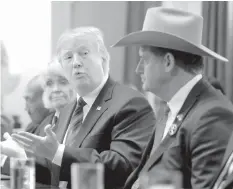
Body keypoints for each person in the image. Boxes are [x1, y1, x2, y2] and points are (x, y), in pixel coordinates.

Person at [12, 27, 155, 189]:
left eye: (84, 53)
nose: (76, 62)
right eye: (68, 57)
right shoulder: (68, 110)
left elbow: (123, 166)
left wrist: (58, 152)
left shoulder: (130, 103)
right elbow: (56, 171)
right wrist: (14, 158)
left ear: (103, 57)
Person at [112, 7, 233, 189]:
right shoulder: (171, 108)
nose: (138, 69)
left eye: (144, 60)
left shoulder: (212, 115)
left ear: (168, 62)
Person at [1, 60, 76, 185]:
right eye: (49, 84)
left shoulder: (81, 122)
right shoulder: (48, 123)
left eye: (63, 82)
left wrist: (15, 158)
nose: (55, 89)